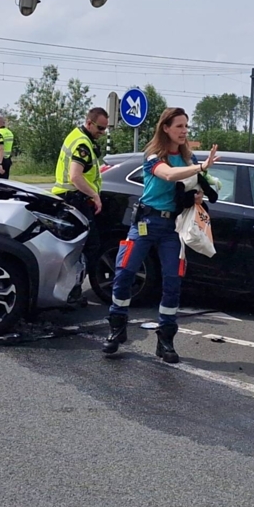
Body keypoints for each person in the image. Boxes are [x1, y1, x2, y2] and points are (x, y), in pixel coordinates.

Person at [101, 108, 219, 363]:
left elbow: (198, 186)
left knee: (172, 281)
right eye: (178, 126)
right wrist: (200, 167)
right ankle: (116, 328)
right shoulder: (154, 155)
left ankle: (165, 340)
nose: (184, 131)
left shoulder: (189, 158)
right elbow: (167, 174)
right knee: (124, 272)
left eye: (186, 126)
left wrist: (198, 194)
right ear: (165, 128)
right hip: (146, 221)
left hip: (172, 229)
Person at [52, 107, 109, 305]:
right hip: (75, 199)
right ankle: (73, 290)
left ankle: (70, 290)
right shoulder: (82, 144)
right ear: (89, 123)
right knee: (88, 246)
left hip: (69, 199)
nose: (102, 132)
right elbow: (75, 176)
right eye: (100, 128)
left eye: (105, 129)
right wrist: (94, 194)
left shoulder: (78, 136)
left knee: (77, 245)